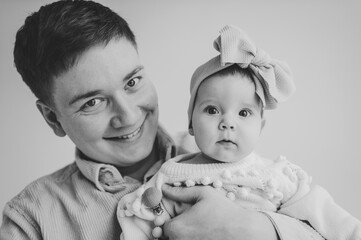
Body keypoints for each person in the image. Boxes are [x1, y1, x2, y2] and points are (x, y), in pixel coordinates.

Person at [0, 1, 340, 239]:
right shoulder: (30, 219)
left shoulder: (242, 165)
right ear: (52, 118)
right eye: (93, 102)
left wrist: (261, 231)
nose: (129, 116)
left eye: (132, 82)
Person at [118, 25, 361, 240]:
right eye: (212, 110)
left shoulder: (277, 177)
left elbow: (335, 222)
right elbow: (138, 220)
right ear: (191, 123)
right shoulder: (172, 176)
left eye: (244, 113)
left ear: (260, 128)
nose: (227, 123)